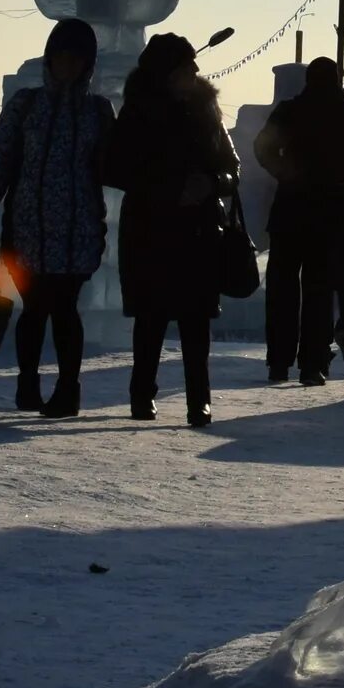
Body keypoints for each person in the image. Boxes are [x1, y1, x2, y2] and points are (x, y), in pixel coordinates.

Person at [103, 31, 238, 426]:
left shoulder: (206, 108)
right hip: (150, 228)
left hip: (198, 231)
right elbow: (114, 168)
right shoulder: (137, 112)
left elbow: (232, 166)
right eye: (184, 68)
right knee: (151, 317)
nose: (193, 73)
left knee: (196, 321)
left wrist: (212, 183)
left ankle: (200, 401)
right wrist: (168, 188)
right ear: (164, 73)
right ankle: (141, 395)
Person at [0, 18, 113, 417]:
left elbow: (114, 164)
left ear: (88, 65)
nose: (68, 66)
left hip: (77, 232)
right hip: (26, 229)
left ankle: (67, 388)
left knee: (64, 310)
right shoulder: (26, 104)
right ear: (50, 59)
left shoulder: (97, 110)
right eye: (61, 57)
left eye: (77, 59)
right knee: (32, 309)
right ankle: (27, 382)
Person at [254, 56, 344, 384]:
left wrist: (285, 172)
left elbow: (262, 148)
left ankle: (278, 362)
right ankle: (312, 365)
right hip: (333, 218)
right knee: (319, 291)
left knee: (282, 292)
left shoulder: (290, 111)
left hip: (291, 214)